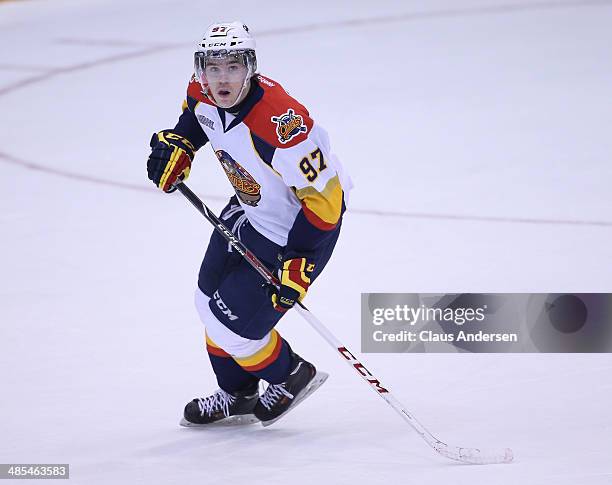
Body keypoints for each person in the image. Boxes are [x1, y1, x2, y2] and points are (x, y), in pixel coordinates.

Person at [147, 21, 352, 426]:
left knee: (235, 328)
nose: (222, 79)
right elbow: (194, 120)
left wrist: (300, 260)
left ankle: (290, 374)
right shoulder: (200, 92)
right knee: (208, 302)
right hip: (248, 208)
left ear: (251, 68)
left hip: (298, 230)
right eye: (213, 67)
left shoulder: (280, 124)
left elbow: (327, 202)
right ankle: (238, 394)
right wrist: (180, 147)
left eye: (234, 67)